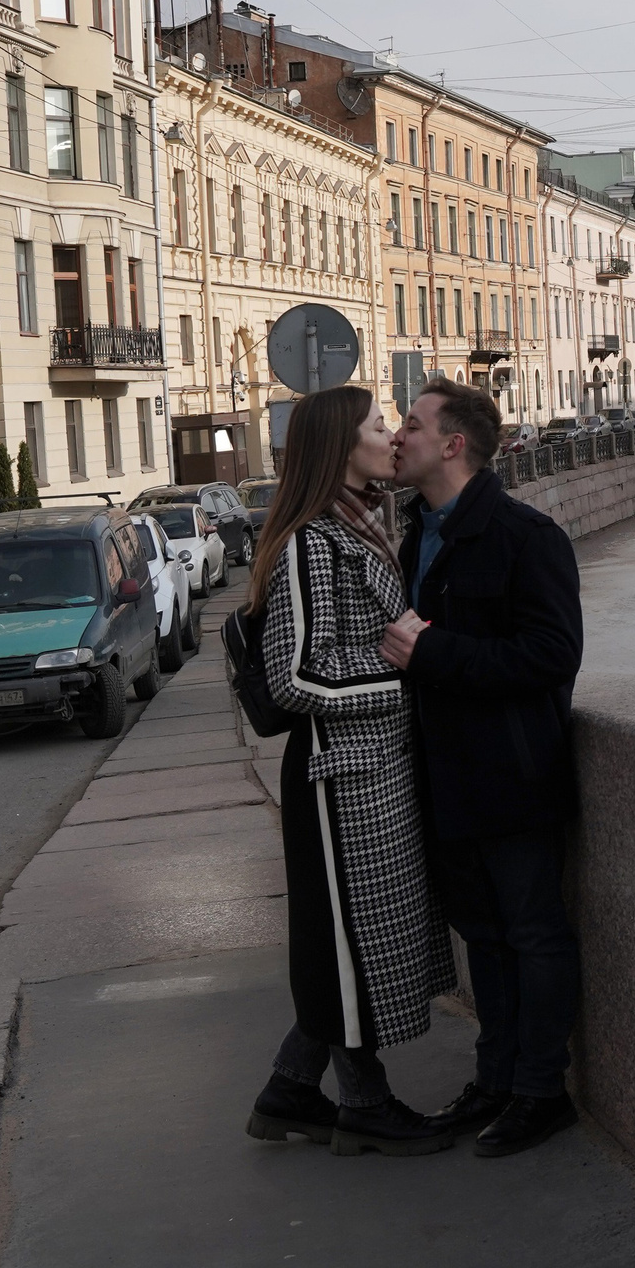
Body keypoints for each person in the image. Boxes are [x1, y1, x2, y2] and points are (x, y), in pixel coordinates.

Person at [244, 386, 457, 1157]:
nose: (392, 436)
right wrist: (404, 668)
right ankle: (363, 1104)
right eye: (377, 426)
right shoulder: (311, 542)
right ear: (340, 449)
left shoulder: (362, 527)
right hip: (340, 782)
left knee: (350, 946)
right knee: (349, 948)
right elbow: (294, 675)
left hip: (372, 773)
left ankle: (290, 1090)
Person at [380, 379, 586, 1159]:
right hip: (445, 777)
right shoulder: (416, 535)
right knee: (486, 937)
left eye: (412, 424)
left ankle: (542, 1089)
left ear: (453, 443)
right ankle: (496, 1079)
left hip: (514, 774)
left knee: (534, 934)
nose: (400, 436)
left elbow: (552, 654)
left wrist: (434, 652)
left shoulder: (526, 536)